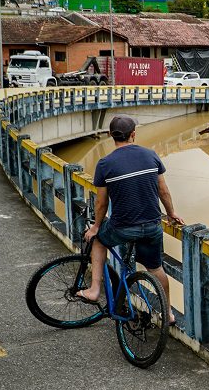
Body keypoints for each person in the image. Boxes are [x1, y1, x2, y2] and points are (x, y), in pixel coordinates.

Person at [77, 115, 184, 324]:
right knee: (156, 268)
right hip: (153, 225)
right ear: (133, 134)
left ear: (110, 135)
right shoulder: (151, 155)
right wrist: (171, 213)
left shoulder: (105, 164)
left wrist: (96, 227)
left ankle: (94, 289)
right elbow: (163, 191)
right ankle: (168, 313)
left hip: (123, 227)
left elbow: (101, 204)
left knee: (98, 240)